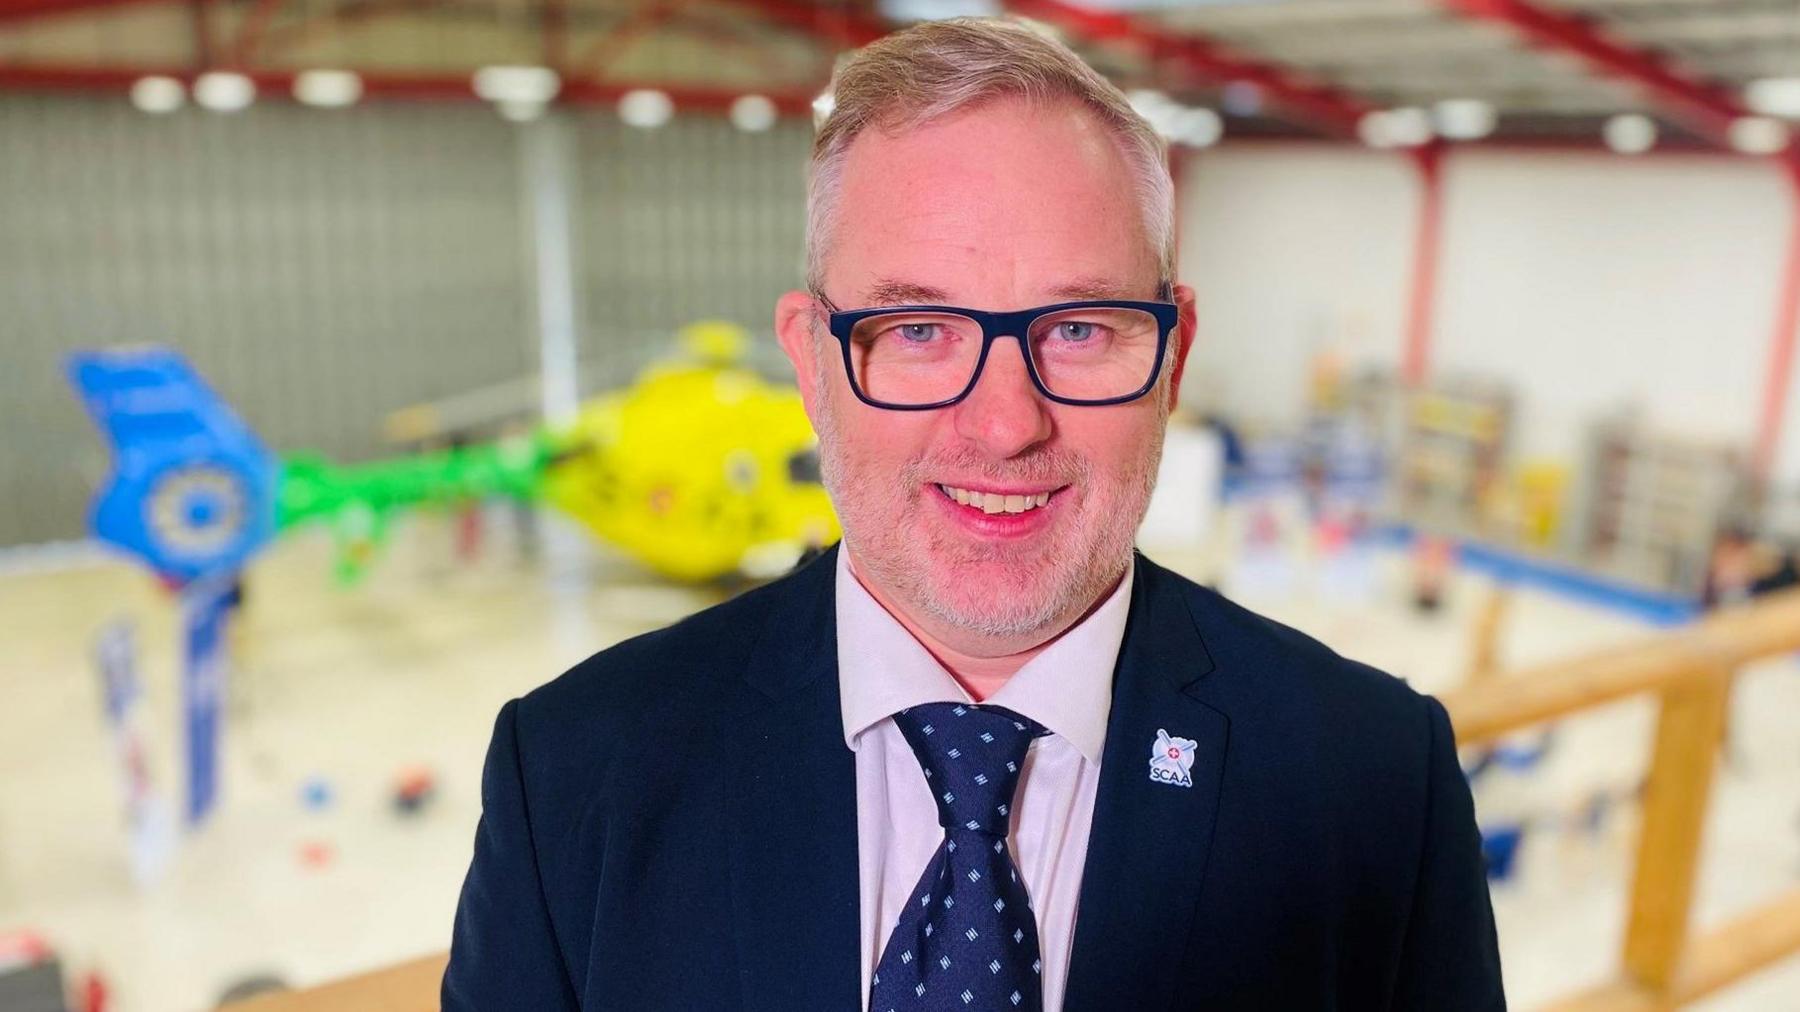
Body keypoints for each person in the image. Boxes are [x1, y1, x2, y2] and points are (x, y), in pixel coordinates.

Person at [443, 17, 1503, 1011]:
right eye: (916, 331)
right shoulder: (572, 772)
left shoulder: (1376, 785)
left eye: (1081, 330)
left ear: (1171, 358)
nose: (1005, 425)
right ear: (812, 362)